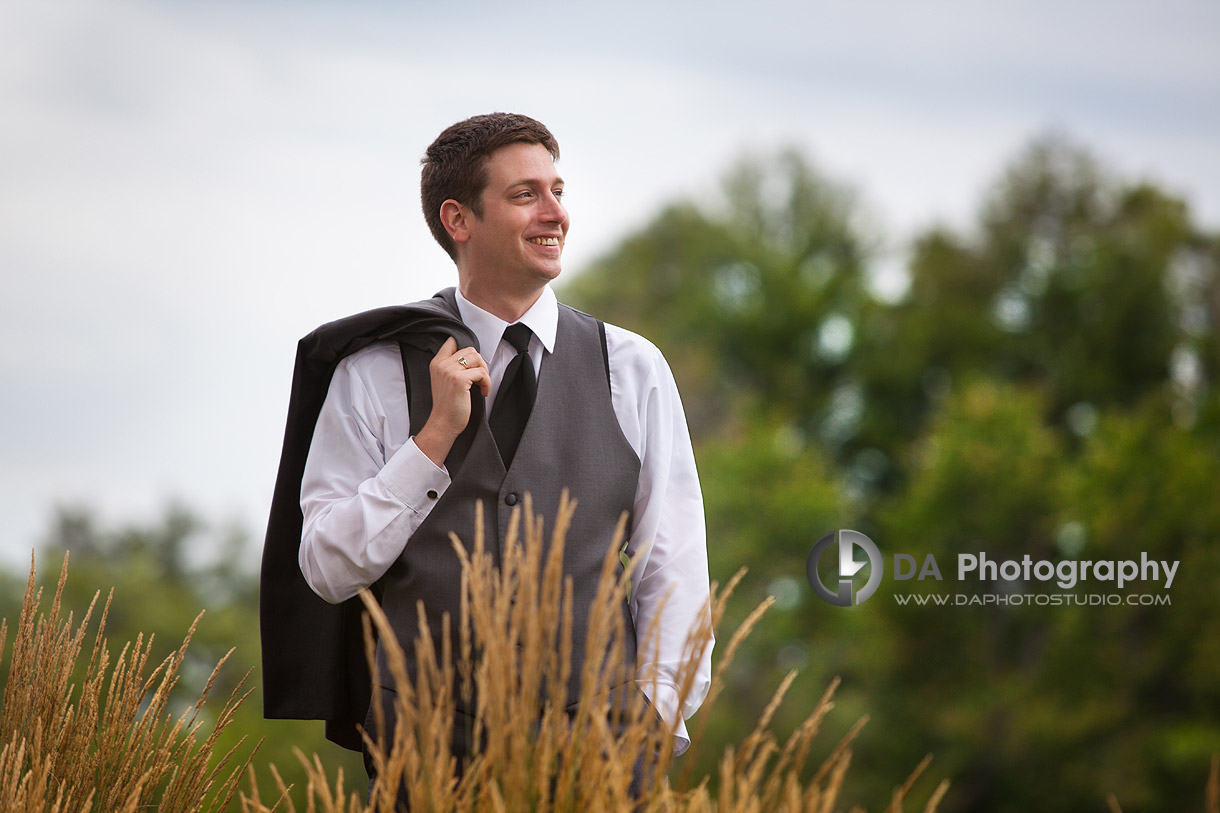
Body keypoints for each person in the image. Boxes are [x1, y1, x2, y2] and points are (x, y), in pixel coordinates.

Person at [259, 112, 712, 794]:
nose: (556, 212)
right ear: (458, 219)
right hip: (428, 756)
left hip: (603, 755)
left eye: (558, 190)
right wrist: (432, 439)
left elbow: (673, 562)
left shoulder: (631, 367)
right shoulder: (375, 370)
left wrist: (655, 719)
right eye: (526, 194)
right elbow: (326, 566)